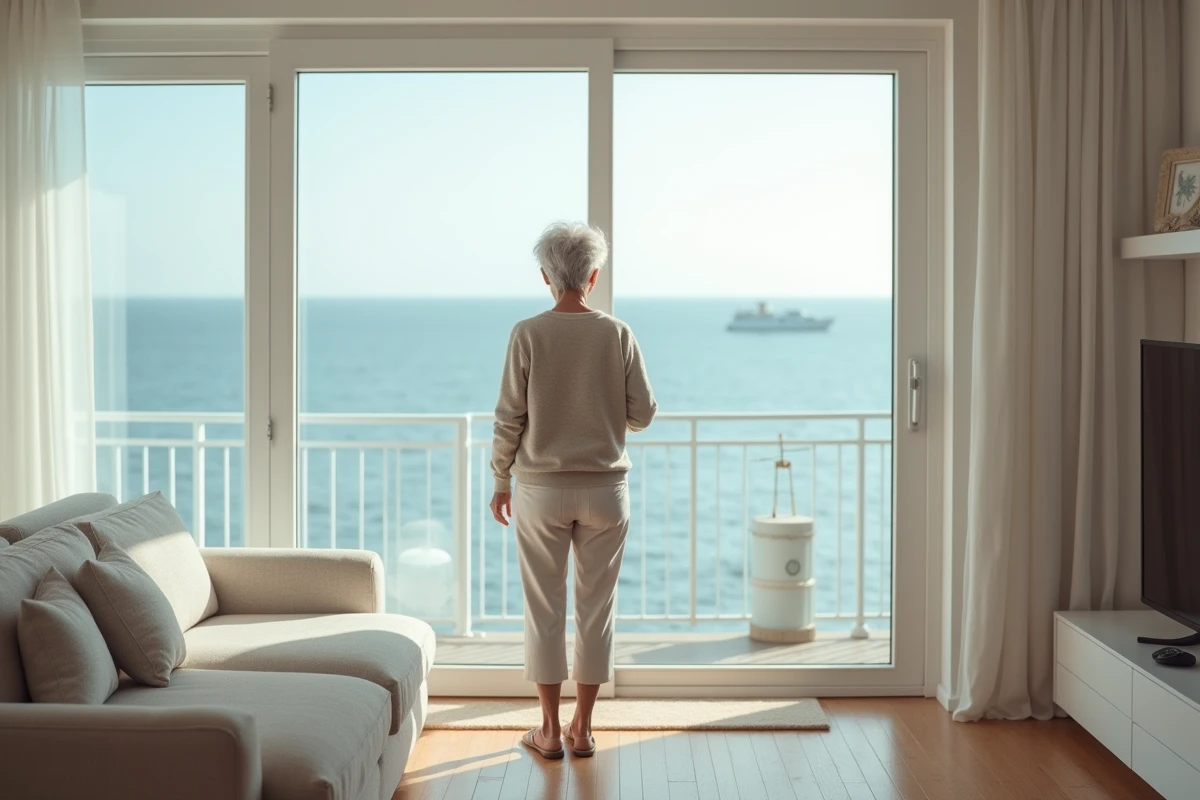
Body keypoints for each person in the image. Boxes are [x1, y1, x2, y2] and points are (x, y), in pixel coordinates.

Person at [489, 221, 657, 759]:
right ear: (593, 274)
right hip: (606, 490)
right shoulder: (617, 333)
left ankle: (548, 730)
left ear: (545, 275)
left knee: (544, 609)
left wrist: (499, 480)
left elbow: (509, 418)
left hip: (540, 490)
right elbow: (644, 414)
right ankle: (583, 730)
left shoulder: (527, 334)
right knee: (595, 610)